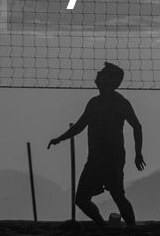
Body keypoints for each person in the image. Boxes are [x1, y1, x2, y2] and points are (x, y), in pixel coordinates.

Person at [48, 62, 145, 224]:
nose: (98, 74)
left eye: (103, 73)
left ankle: (131, 228)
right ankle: (102, 225)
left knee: (118, 196)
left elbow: (137, 126)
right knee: (81, 199)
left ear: (110, 80)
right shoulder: (94, 103)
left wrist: (138, 153)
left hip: (113, 158)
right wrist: (60, 139)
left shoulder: (120, 102)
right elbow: (80, 126)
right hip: (95, 159)